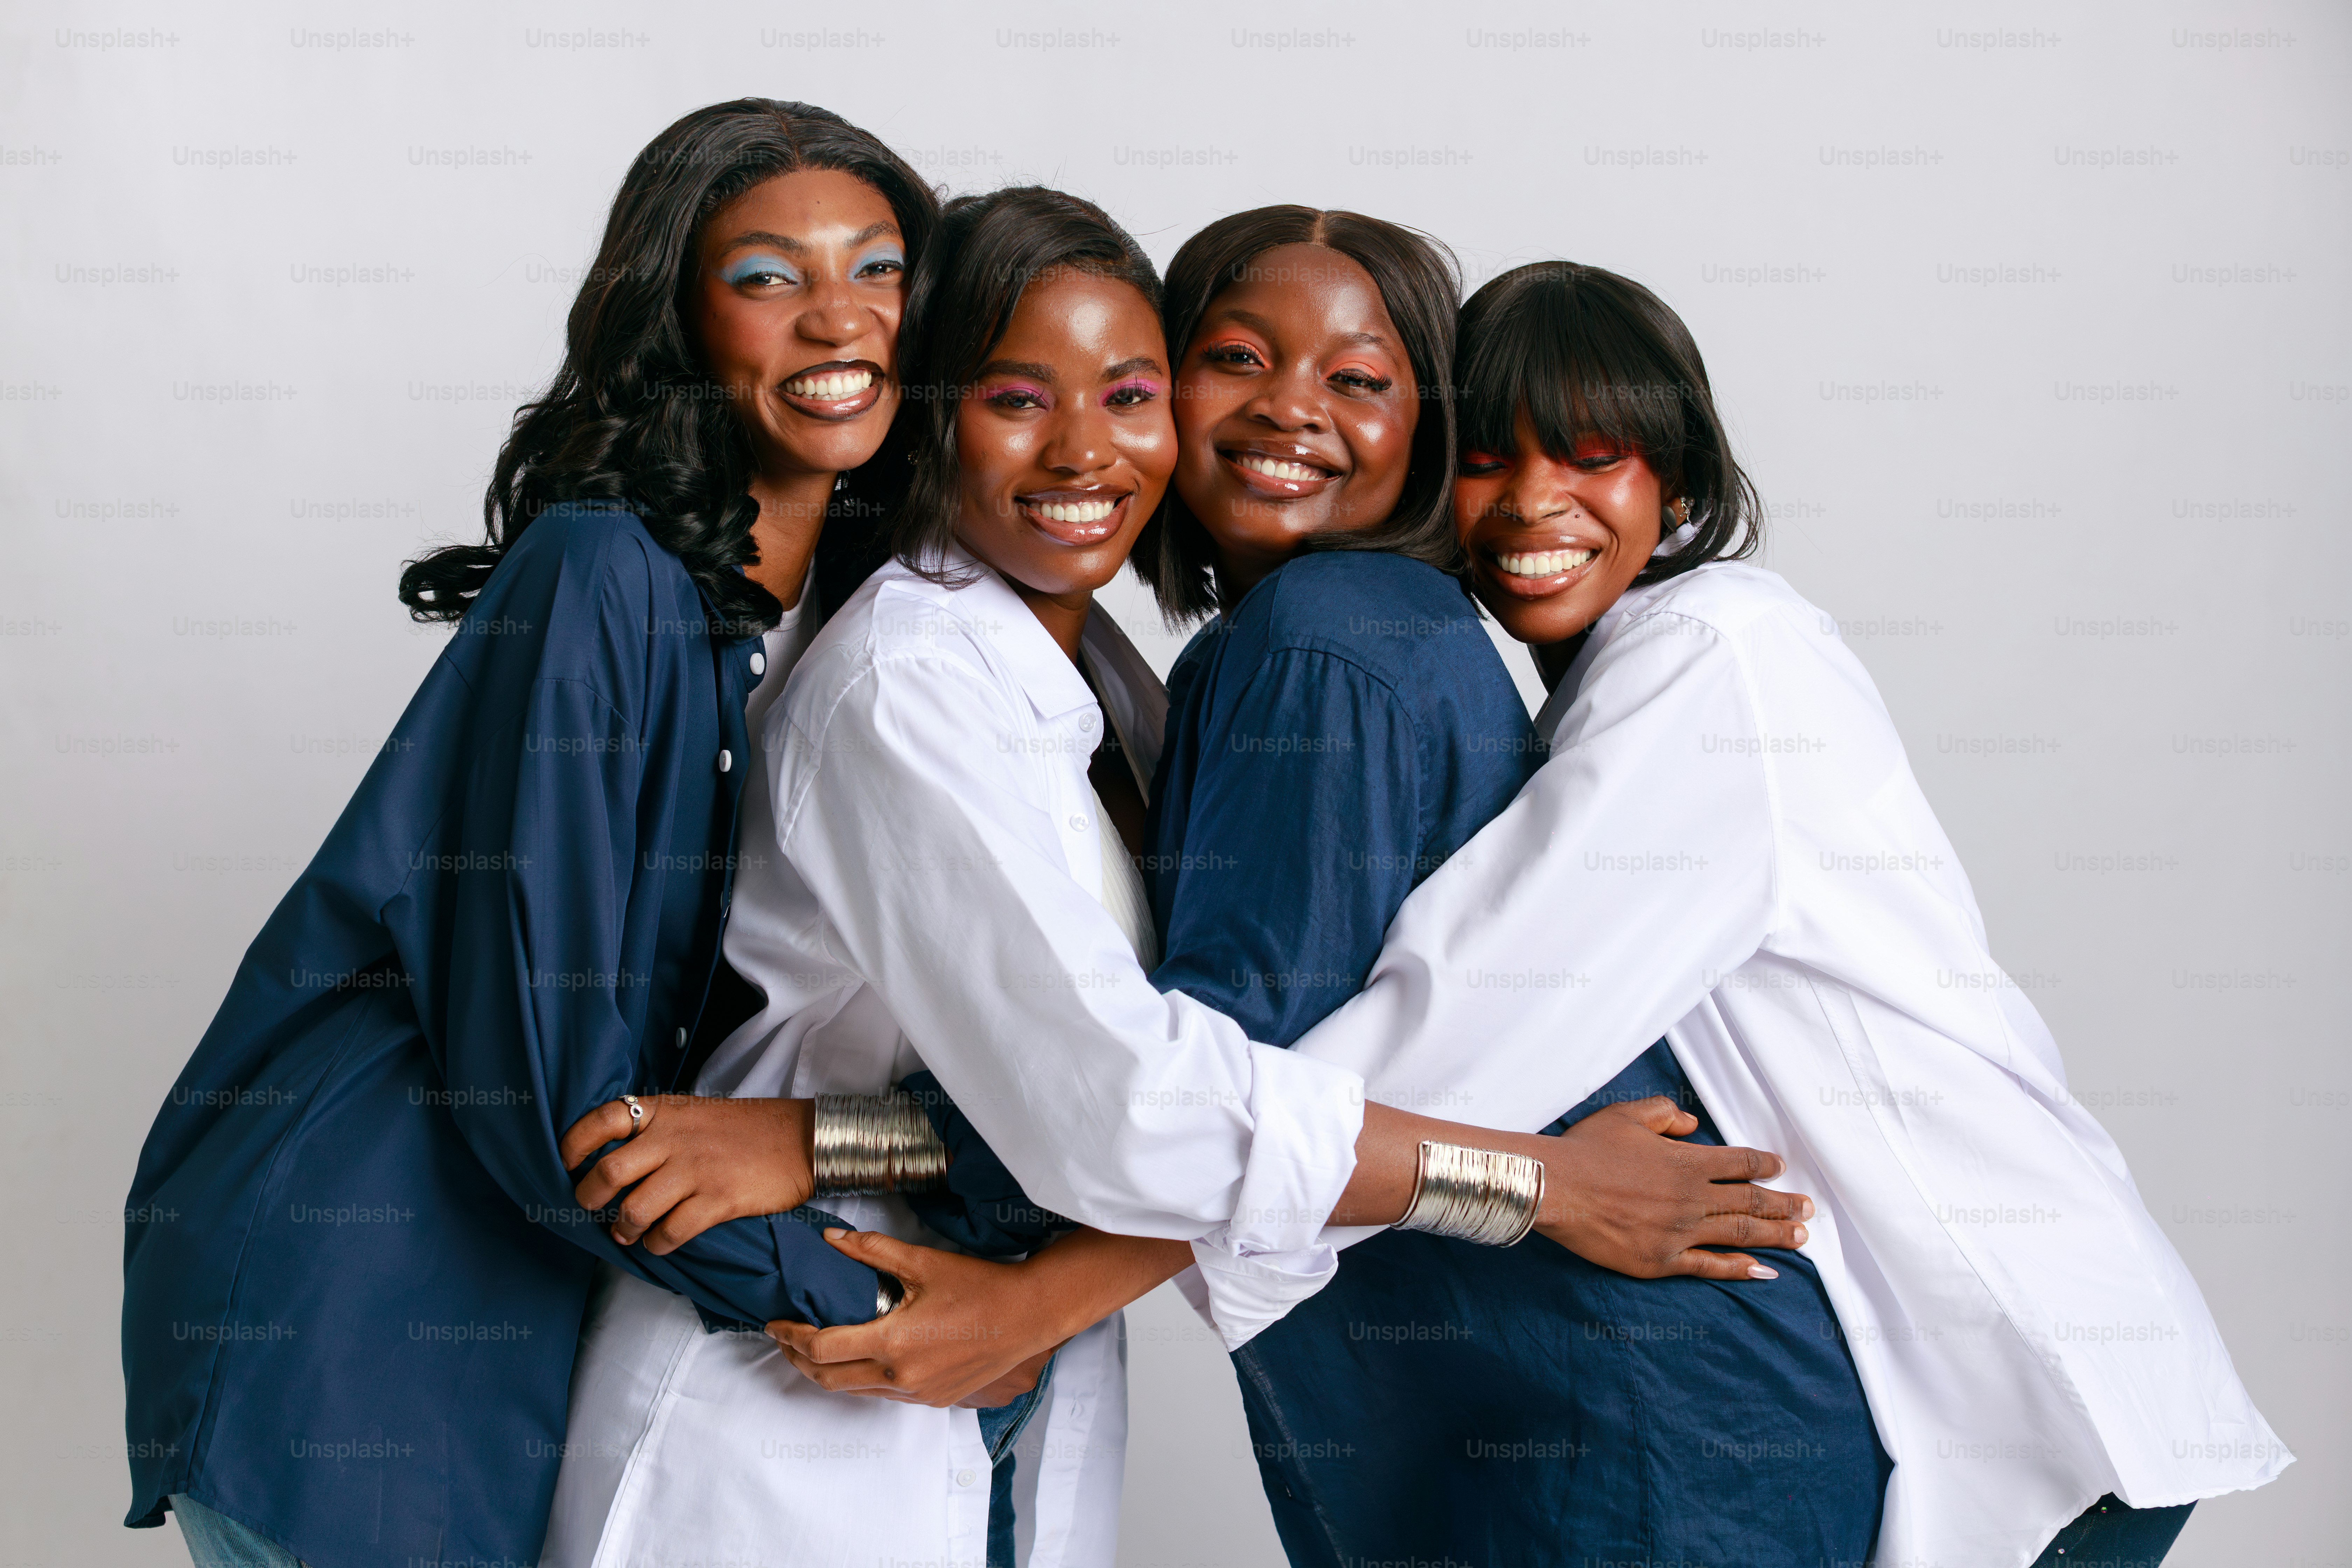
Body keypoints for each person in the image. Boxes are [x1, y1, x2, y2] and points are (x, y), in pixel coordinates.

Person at [1273, 260, 2290, 1565]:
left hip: (2040, 1370)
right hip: (1977, 1375)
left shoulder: (1716, 653)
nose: (1535, 502)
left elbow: (1468, 1009)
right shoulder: (1614, 685)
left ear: (1679, 488)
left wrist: (1172, 1191)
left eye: (1598, 457)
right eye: (1489, 459)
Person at [119, 99, 934, 1568]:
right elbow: (562, 1100)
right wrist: (886, 1311)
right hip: (360, 1306)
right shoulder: (600, 574)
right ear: (678, 319)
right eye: (767, 277)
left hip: (536, 1317)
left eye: (879, 268)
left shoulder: (858, 625)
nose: (838, 318)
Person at [1129, 207, 1885, 1565]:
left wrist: (851, 1168)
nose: (1291, 409)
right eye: (1238, 357)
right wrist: (1539, 1180)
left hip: (1609, 1427)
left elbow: (1202, 1110)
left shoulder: (1327, 647)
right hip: (1592, 1414)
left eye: (1359, 378)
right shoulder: (1323, 644)